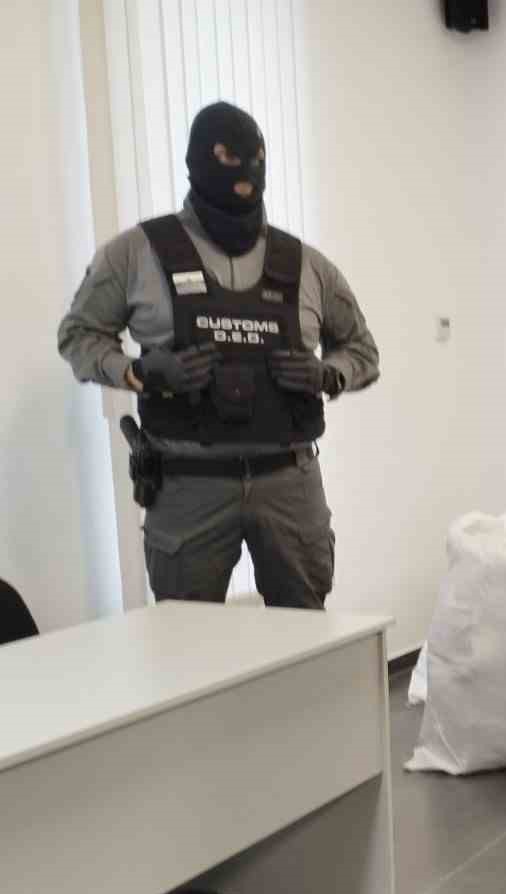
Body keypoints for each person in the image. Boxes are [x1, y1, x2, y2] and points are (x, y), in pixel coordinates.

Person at [58, 101, 378, 609]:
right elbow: (79, 335)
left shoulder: (306, 265)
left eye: (257, 159)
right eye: (229, 157)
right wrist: (138, 372)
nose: (246, 173)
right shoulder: (137, 253)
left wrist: (329, 374)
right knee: (187, 639)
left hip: (288, 482)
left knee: (306, 633)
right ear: (198, 161)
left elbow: (362, 350)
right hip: (188, 485)